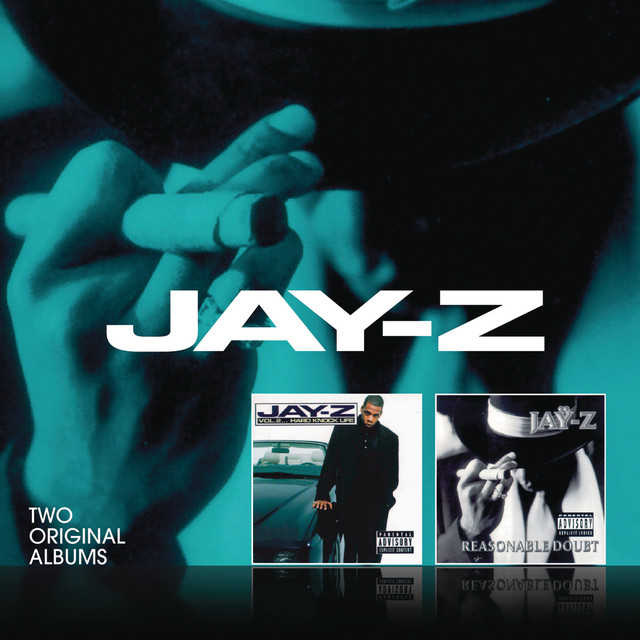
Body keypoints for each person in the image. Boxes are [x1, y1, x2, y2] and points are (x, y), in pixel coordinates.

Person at [0, 0, 639, 567]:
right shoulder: (62, 299)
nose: (358, 227)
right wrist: (89, 514)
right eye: (320, 157)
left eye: (433, 154)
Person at [436, 395, 605, 564]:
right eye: (514, 461)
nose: (525, 477)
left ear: (568, 445)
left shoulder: (608, 483)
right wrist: (469, 531)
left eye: (538, 461)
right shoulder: (447, 488)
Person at [313, 395, 399, 563]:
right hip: (349, 503)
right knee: (350, 552)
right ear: (361, 409)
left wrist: (386, 502)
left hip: (376, 506)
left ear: (381, 414)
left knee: (372, 555)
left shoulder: (390, 438)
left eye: (375, 415)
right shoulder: (343, 430)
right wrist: (322, 494)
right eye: (367, 413)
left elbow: (393, 475)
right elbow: (330, 463)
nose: (370, 419)